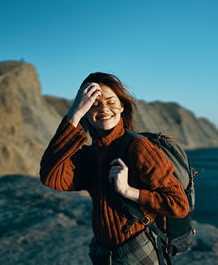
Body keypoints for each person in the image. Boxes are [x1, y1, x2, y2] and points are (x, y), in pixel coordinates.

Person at [40, 72, 189, 265]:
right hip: (103, 254)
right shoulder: (92, 154)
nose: (104, 109)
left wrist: (129, 191)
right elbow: (50, 176)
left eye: (111, 102)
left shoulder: (139, 148)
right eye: (94, 104)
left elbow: (179, 205)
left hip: (136, 254)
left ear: (122, 106)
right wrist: (74, 114)